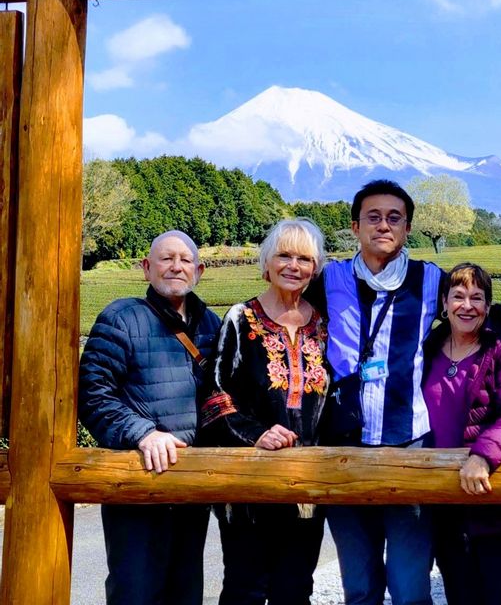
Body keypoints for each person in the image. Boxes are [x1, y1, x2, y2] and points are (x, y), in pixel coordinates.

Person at [307, 179, 443, 605]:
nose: (383, 225)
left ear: (407, 229)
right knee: (360, 586)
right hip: (345, 448)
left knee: (410, 587)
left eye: (394, 218)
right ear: (354, 226)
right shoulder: (328, 279)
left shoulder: (433, 280)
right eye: (373, 217)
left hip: (410, 445)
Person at [78, 230, 221, 605]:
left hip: (191, 485)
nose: (176, 267)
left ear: (199, 271)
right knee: (135, 591)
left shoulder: (211, 325)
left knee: (186, 591)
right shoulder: (122, 318)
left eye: (185, 260)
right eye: (166, 259)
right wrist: (142, 433)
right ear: (146, 268)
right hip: (137, 481)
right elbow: (93, 394)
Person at [201, 218, 329, 605]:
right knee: (246, 587)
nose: (294, 265)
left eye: (304, 258)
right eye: (284, 255)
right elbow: (215, 395)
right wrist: (256, 433)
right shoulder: (241, 319)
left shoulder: (324, 324)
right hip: (248, 482)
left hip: (307, 482)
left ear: (316, 267)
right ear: (266, 263)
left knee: (295, 587)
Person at [422, 263, 501, 605]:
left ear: (487, 306)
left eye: (477, 297)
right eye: (458, 296)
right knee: (460, 594)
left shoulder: (497, 350)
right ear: (444, 303)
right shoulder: (426, 349)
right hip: (443, 504)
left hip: (492, 504)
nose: (467, 305)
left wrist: (482, 455)